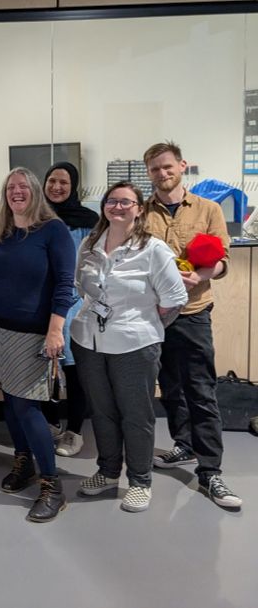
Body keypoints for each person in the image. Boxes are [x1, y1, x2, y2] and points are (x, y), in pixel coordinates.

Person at [71, 182, 188, 513]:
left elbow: (174, 300)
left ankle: (140, 481)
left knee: (136, 414)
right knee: (102, 411)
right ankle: (108, 472)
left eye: (126, 202)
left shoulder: (153, 249)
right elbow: (82, 287)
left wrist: (145, 327)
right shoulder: (90, 244)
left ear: (139, 208)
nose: (117, 207)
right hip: (89, 341)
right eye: (112, 201)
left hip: (135, 345)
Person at [143, 141, 241, 508]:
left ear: (182, 166)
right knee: (168, 386)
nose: (162, 174)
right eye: (155, 169)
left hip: (192, 310)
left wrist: (197, 278)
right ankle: (183, 444)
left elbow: (222, 260)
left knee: (200, 389)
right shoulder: (141, 212)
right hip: (152, 315)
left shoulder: (208, 209)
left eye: (167, 167)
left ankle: (211, 472)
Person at [0, 168, 75, 523]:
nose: (17, 192)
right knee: (9, 397)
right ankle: (22, 460)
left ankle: (52, 487)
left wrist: (55, 331)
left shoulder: (53, 231)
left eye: (23, 187)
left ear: (35, 192)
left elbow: (65, 284)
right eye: (11, 188)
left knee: (26, 406)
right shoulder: (4, 233)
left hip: (33, 334)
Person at [42, 161, 98, 457]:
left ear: (73, 186)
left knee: (74, 369)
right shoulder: (36, 217)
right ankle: (50, 423)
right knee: (45, 368)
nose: (57, 187)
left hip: (76, 305)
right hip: (42, 304)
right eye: (52, 181)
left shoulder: (89, 220)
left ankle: (74, 430)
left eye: (64, 182)